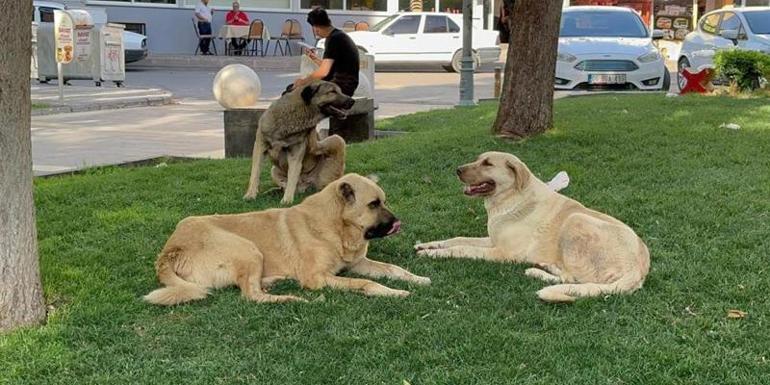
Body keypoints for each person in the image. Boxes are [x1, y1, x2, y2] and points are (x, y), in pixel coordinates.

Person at [292, 7, 359, 97]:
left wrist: (303, 82)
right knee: (296, 88)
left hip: (340, 87)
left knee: (295, 91)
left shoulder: (333, 39)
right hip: (346, 84)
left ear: (316, 28)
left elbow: (323, 72)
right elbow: (331, 68)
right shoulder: (338, 35)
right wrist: (315, 59)